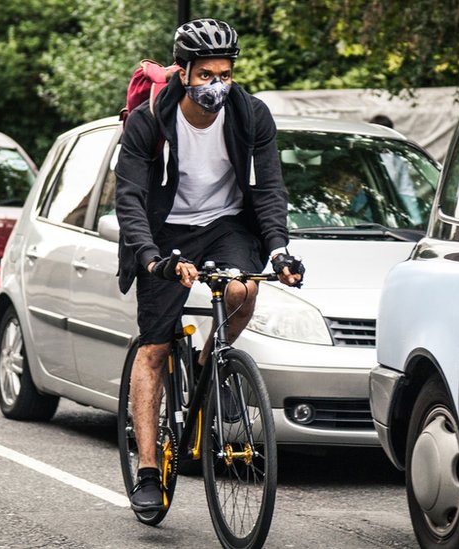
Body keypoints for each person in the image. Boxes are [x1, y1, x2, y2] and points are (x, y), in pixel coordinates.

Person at [113, 18, 304, 513]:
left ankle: (210, 365)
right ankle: (148, 471)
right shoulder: (150, 120)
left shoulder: (250, 115)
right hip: (165, 230)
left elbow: (269, 188)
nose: (217, 85)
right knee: (154, 348)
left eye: (225, 74)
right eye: (206, 75)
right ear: (183, 73)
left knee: (243, 290)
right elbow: (129, 197)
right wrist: (150, 258)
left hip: (225, 224)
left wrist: (279, 249)